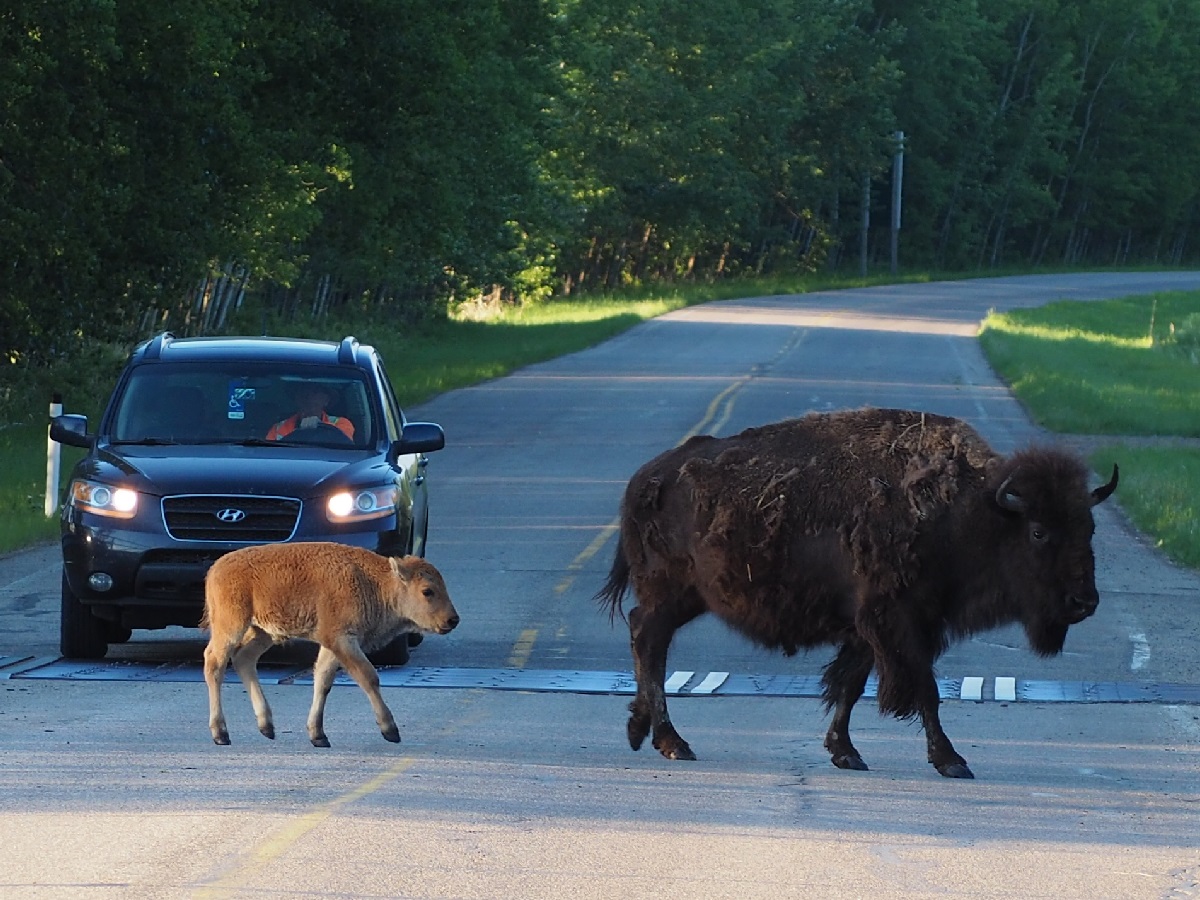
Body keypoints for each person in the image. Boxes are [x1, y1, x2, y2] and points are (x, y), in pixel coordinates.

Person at [265, 383, 355, 442]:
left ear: (326, 400)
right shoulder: (278, 428)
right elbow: (269, 455)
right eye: (303, 392)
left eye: (315, 392)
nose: (308, 397)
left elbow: (345, 449)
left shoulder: (341, 423)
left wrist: (318, 426)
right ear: (296, 399)